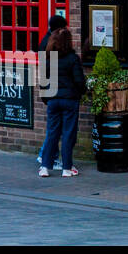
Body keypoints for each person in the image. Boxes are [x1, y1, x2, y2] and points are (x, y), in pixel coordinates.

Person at [38, 26, 86, 178]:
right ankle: (66, 168)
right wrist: (80, 93)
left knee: (52, 133)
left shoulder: (48, 59)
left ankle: (45, 166)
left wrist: (47, 99)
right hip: (69, 100)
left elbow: (43, 82)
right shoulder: (73, 59)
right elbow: (79, 81)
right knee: (68, 134)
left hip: (53, 100)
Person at [36, 14, 68, 170]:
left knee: (54, 127)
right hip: (53, 89)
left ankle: (46, 154)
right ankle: (47, 156)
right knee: (54, 128)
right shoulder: (49, 43)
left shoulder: (46, 40)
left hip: (51, 89)